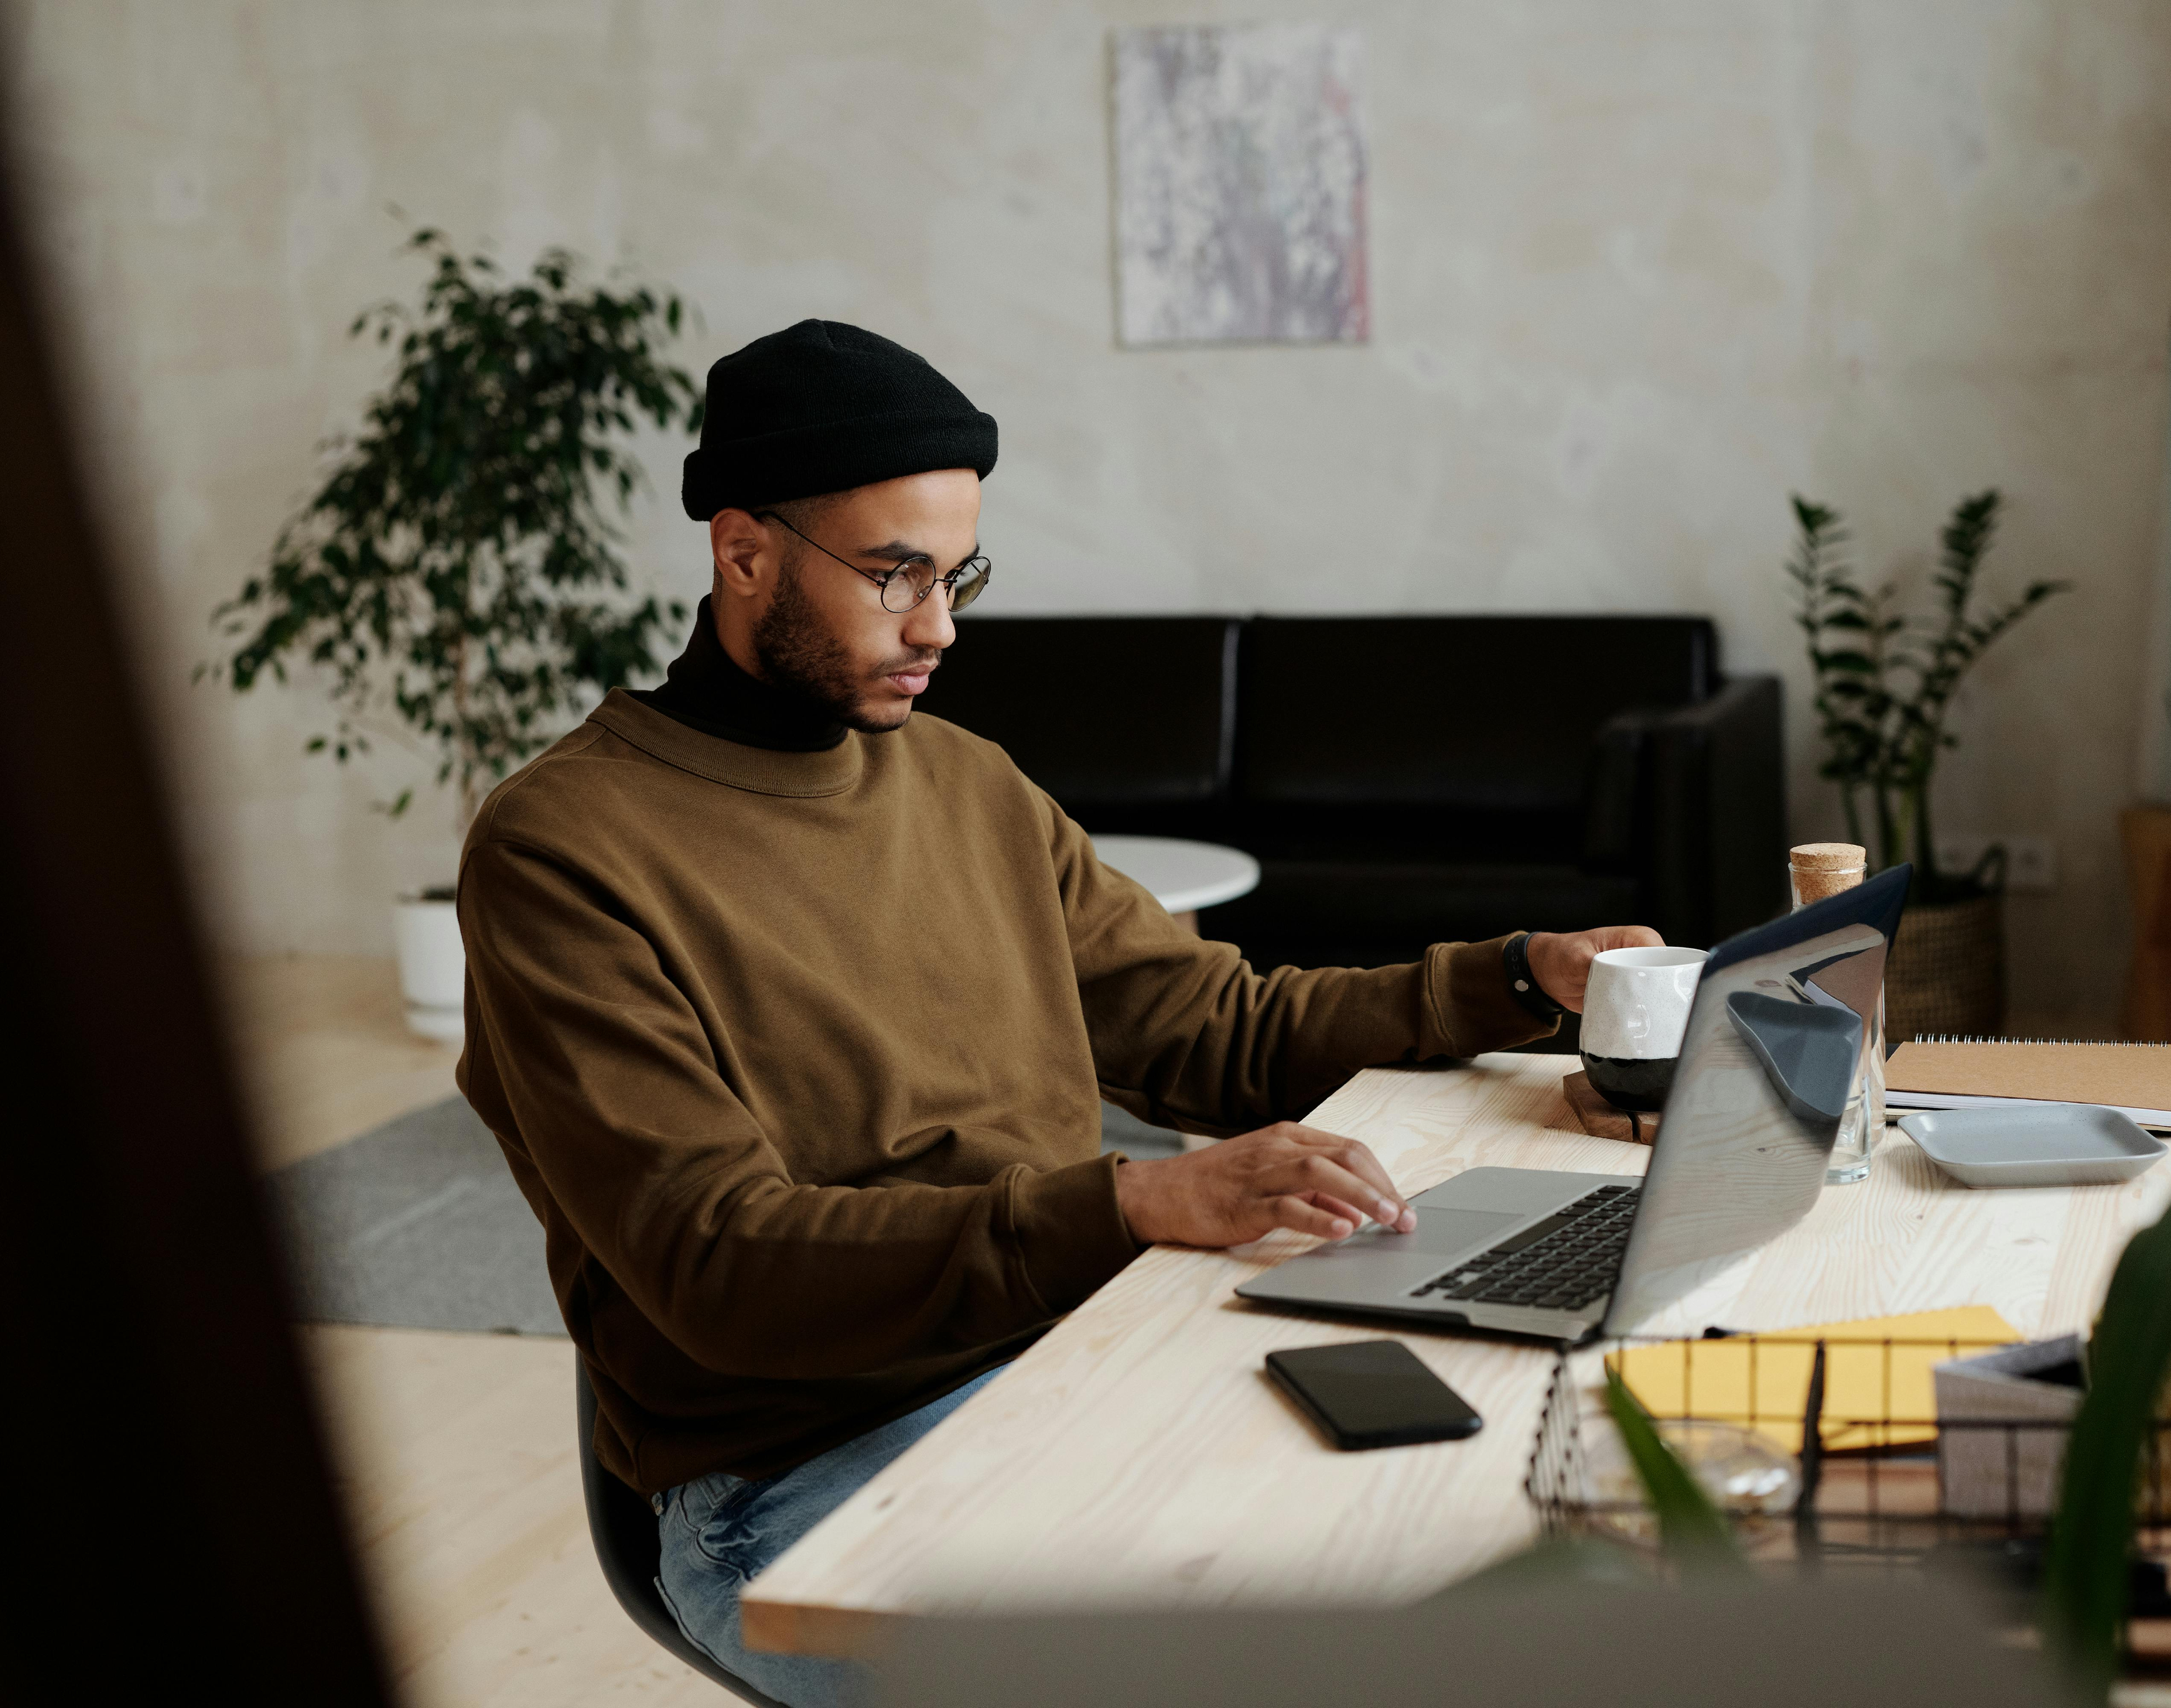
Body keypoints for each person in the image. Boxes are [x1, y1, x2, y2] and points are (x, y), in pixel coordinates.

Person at [456, 319, 1663, 1705]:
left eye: (955, 571)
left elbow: (1215, 1029)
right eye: (892, 574)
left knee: (1508, 1562)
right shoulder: (564, 846)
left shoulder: (965, 782)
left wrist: (1512, 979)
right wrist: (1133, 1204)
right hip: (798, 1485)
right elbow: (718, 1262)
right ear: (742, 551)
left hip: (1080, 1364)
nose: (940, 625)